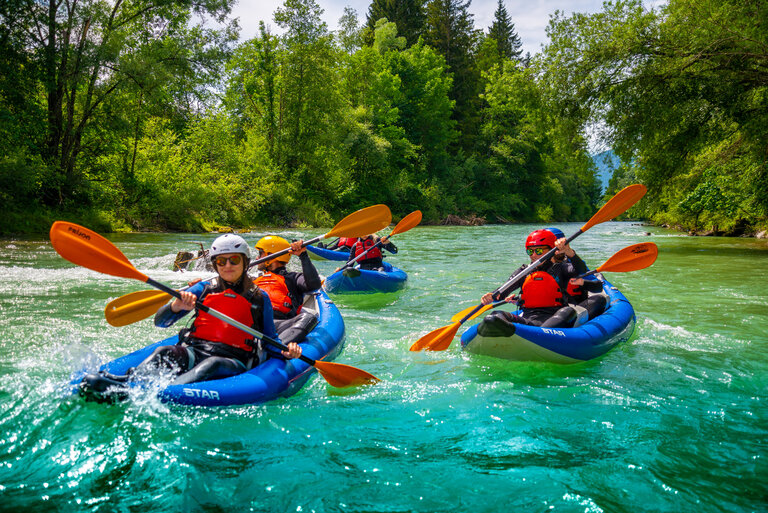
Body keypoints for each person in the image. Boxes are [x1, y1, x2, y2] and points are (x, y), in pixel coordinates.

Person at [80, 234, 301, 401]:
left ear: (244, 262)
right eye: (221, 262)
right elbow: (161, 322)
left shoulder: (259, 297)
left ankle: (159, 395)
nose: (227, 266)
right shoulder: (203, 289)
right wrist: (176, 307)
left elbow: (271, 340)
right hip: (196, 350)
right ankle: (129, 382)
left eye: (233, 260)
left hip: (234, 360)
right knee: (163, 352)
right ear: (214, 264)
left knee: (212, 365)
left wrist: (286, 351)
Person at [479, 229, 603, 331]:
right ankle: (531, 334)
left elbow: (581, 270)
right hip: (528, 319)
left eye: (538, 250)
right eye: (530, 251)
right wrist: (491, 296)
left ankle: (539, 335)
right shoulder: (523, 272)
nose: (533, 255)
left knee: (568, 311)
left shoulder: (561, 268)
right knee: (495, 315)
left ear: (551, 251)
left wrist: (569, 252)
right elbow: (502, 292)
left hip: (556, 317)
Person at [254, 235, 322, 343]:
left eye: (260, 253)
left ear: (271, 256)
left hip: (280, 326)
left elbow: (314, 285)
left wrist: (303, 255)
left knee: (309, 318)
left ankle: (278, 347)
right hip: (253, 323)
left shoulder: (293, 278)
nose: (257, 258)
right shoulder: (254, 281)